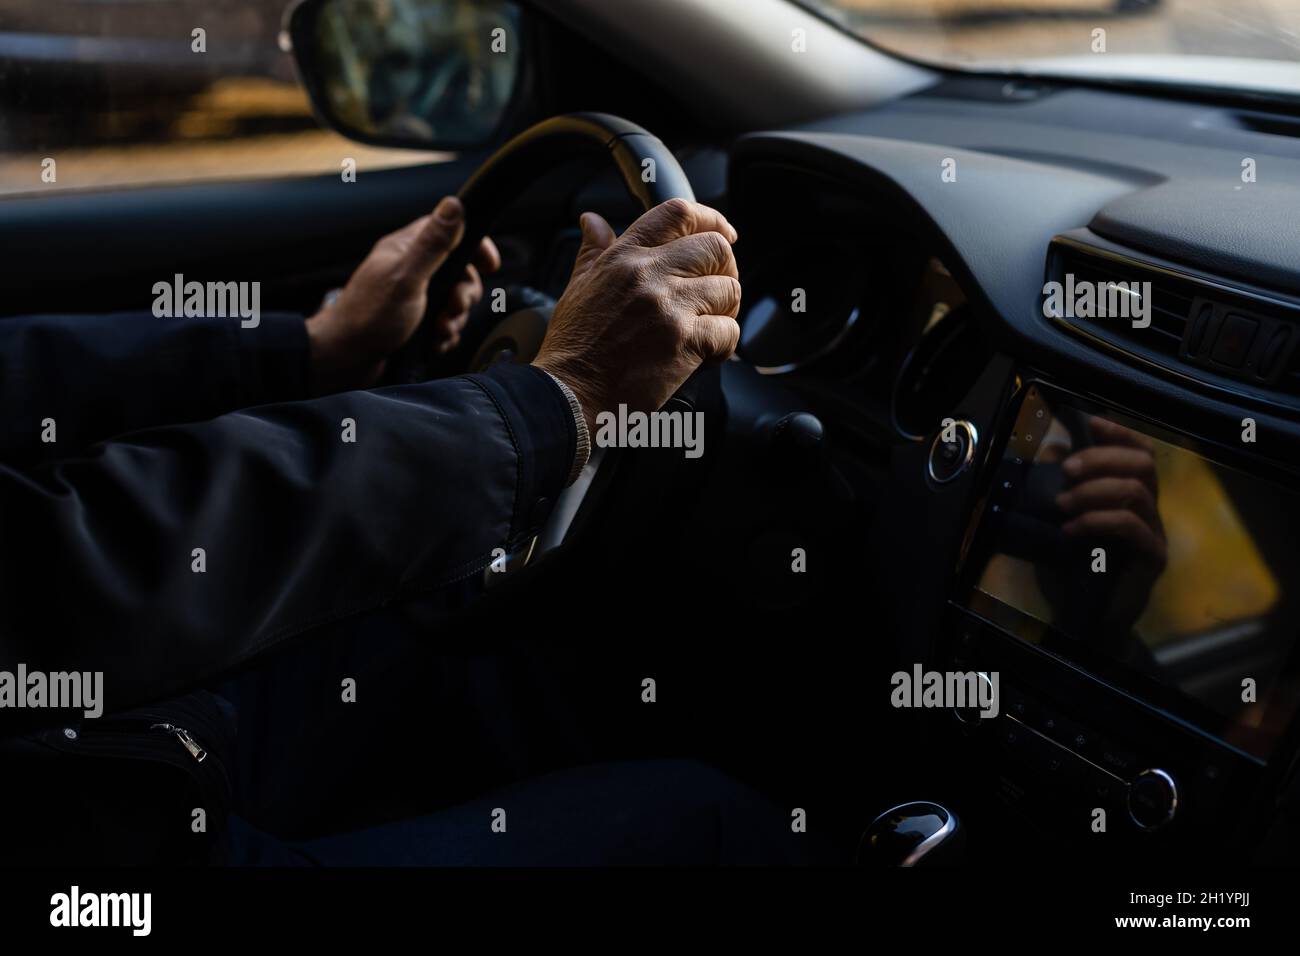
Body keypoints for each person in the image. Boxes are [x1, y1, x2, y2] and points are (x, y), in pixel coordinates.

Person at [0, 195, 814, 865]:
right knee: (711, 825)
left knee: (492, 662)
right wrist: (556, 402)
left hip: (113, 734)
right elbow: (57, 568)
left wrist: (313, 350)